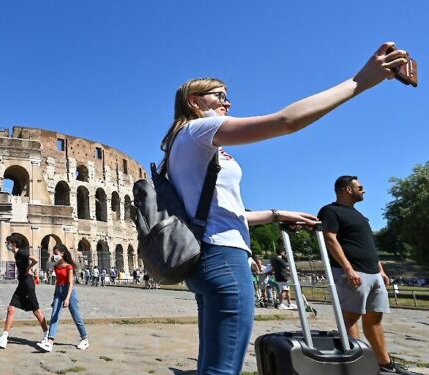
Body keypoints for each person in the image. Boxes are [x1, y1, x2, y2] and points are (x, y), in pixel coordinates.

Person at [160, 43, 407, 374]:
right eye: (219, 95)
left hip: (204, 259)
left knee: (212, 364)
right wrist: (358, 81)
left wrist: (276, 214)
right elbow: (287, 121)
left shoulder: (178, 148)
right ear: (194, 101)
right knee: (223, 369)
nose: (227, 102)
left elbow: (221, 215)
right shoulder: (199, 129)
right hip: (225, 259)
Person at [319, 176, 419, 375]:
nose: (363, 190)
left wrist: (380, 269)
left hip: (372, 272)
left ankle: (385, 364)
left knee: (375, 318)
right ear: (347, 189)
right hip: (353, 272)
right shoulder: (330, 211)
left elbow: (368, 246)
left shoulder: (359, 215)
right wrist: (348, 268)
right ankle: (355, 364)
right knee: (350, 317)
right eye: (360, 187)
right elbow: (329, 239)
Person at [0, 233, 48, 349]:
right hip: (22, 284)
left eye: (8, 243)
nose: (7, 245)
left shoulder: (21, 252)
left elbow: (35, 260)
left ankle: (47, 335)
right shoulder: (17, 254)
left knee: (36, 311)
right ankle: (4, 338)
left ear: (13, 244)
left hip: (27, 284)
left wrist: (28, 269)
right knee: (11, 308)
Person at [36, 244, 89, 352]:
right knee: (54, 315)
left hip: (69, 291)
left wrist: (67, 298)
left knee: (76, 316)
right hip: (58, 291)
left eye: (56, 253)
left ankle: (85, 339)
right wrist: (54, 297)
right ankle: (50, 342)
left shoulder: (69, 266)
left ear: (62, 253)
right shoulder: (56, 266)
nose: (54, 256)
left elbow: (70, 283)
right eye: (54, 253)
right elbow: (57, 282)